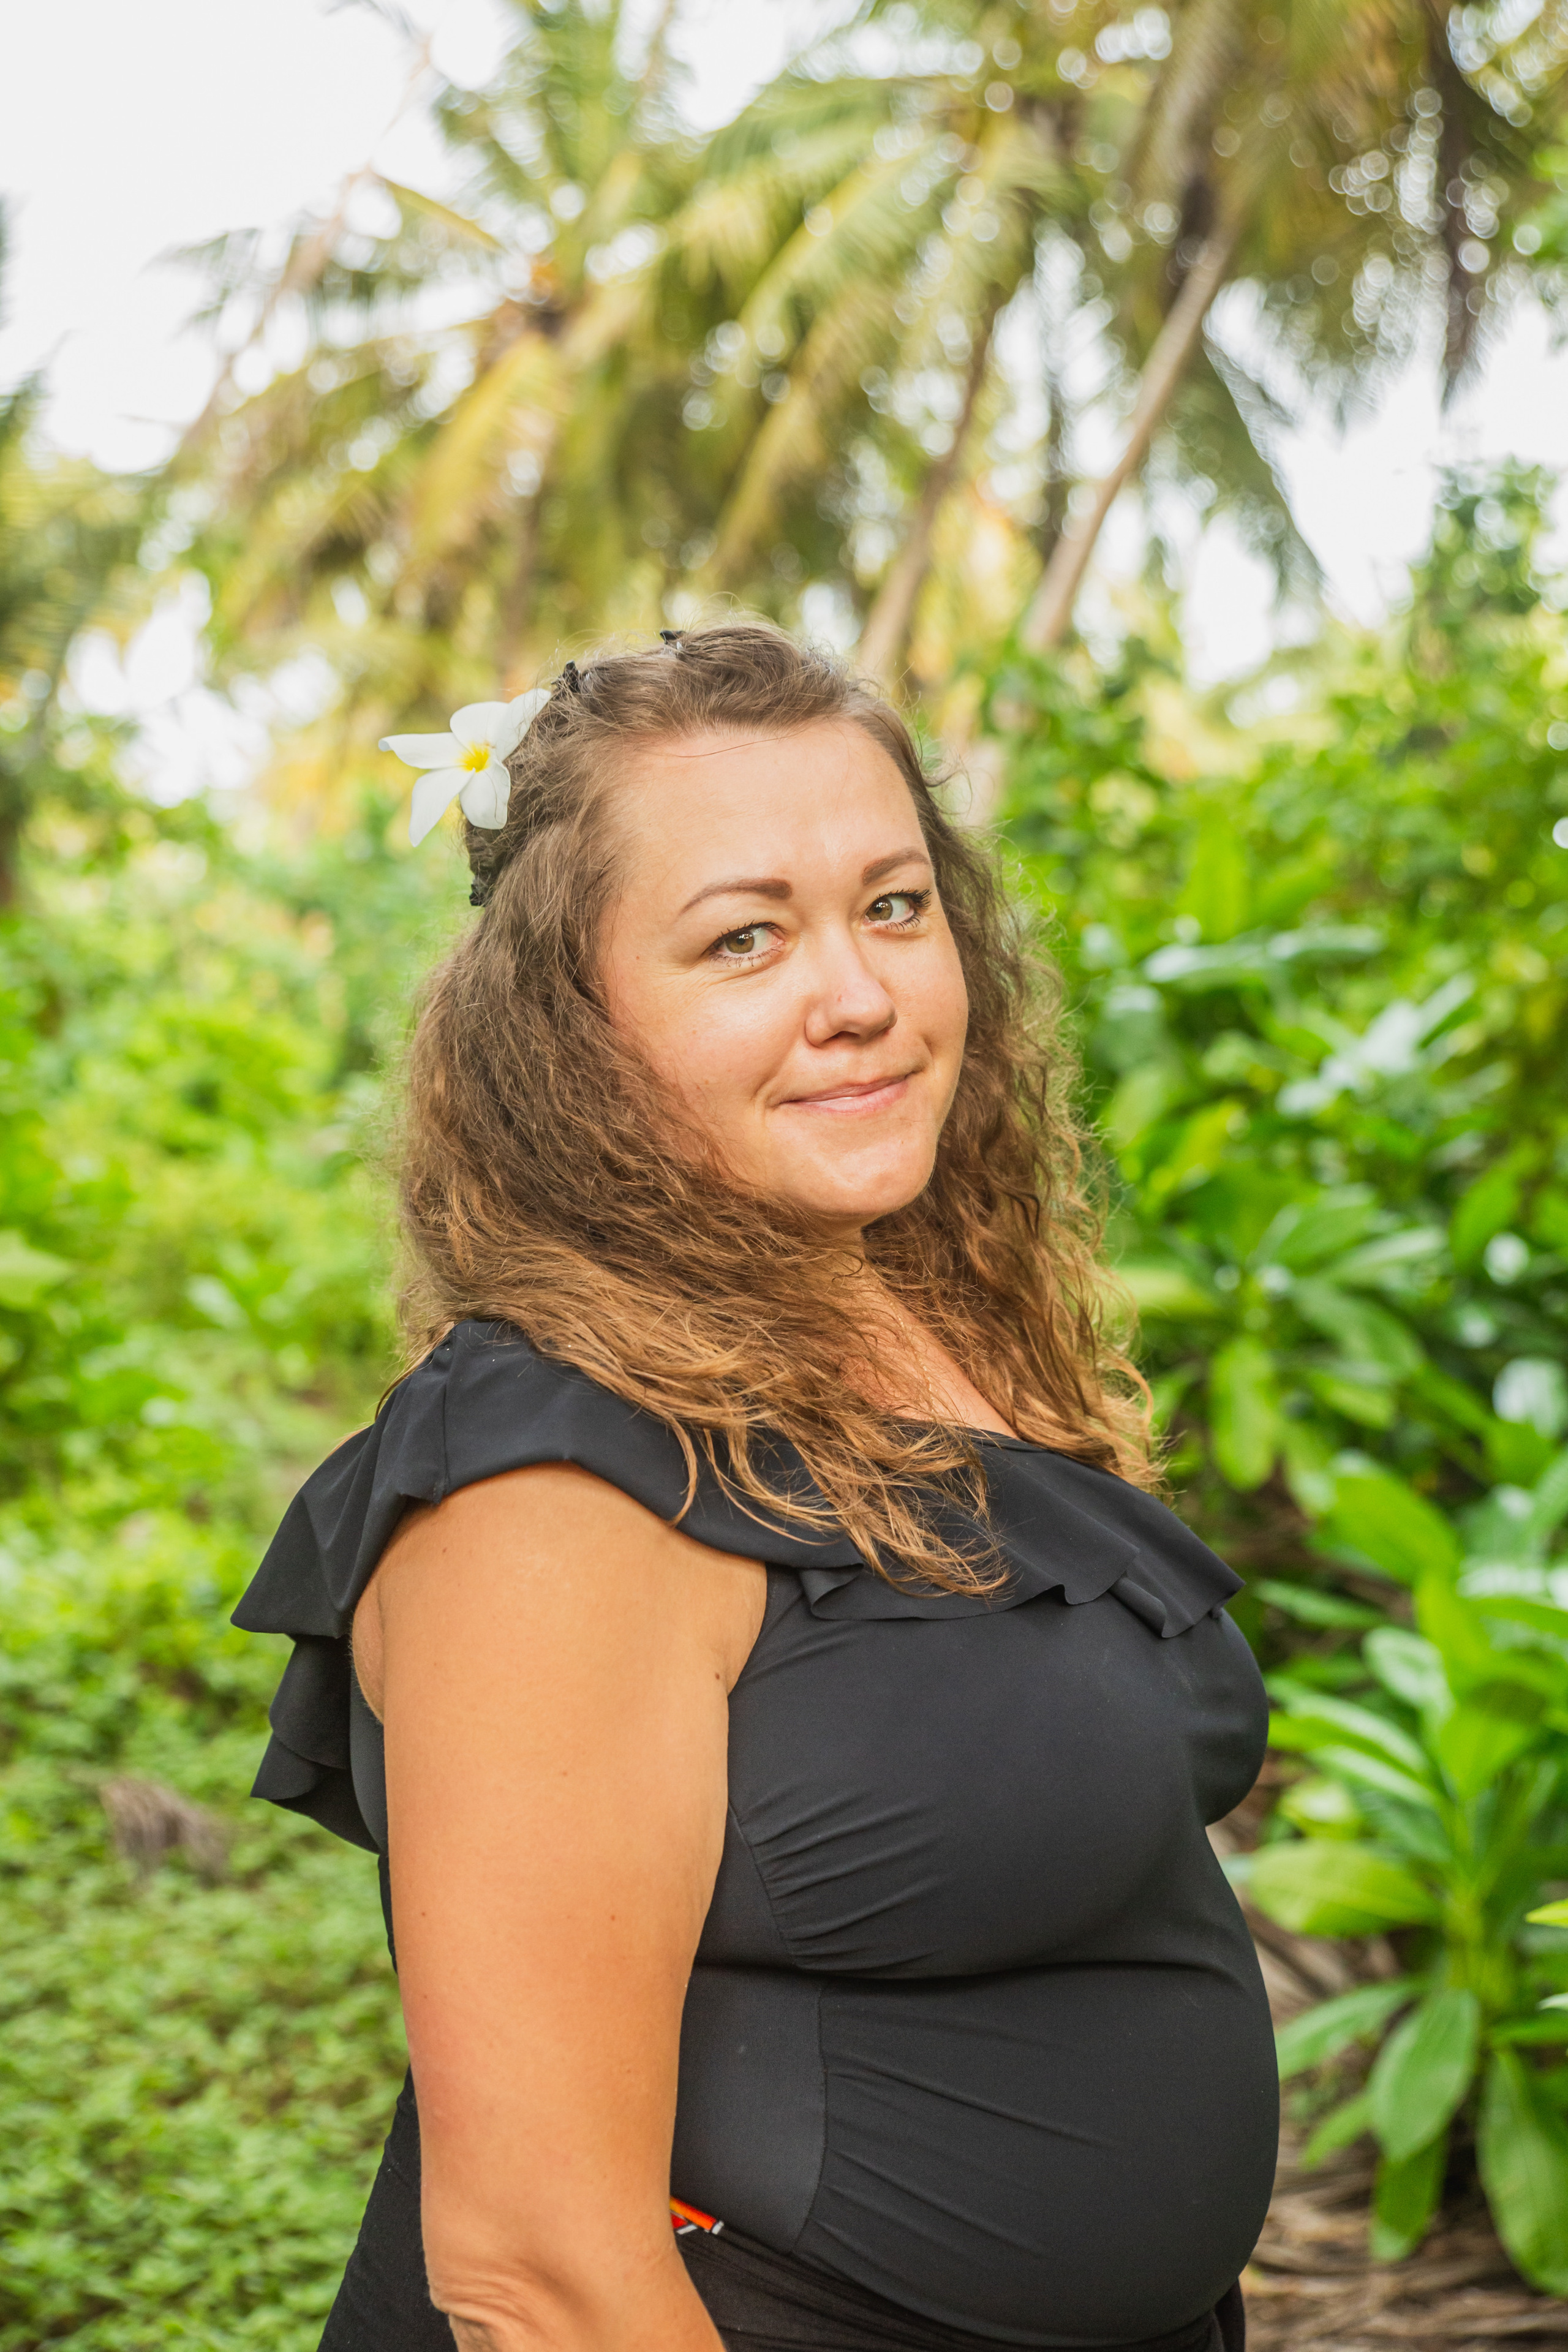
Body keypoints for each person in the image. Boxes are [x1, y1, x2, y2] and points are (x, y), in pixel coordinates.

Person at [235, 622, 1278, 2352]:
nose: (860, 995)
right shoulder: (549, 1488)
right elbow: (539, 2273)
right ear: (569, 1030)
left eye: (894, 905)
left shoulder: (922, 1319)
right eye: (745, 937)